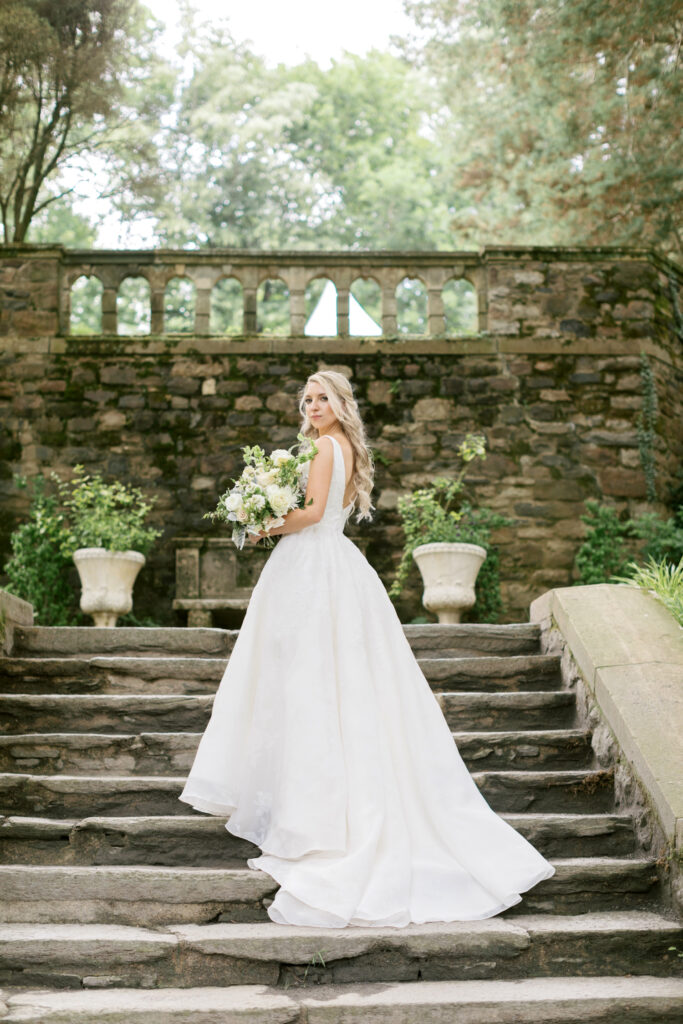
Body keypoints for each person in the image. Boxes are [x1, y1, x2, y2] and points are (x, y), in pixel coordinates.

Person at [179, 369, 555, 927]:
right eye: (306, 399)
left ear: (339, 403)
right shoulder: (337, 445)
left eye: (321, 398)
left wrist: (260, 522)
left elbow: (307, 514)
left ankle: (318, 821)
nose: (311, 405)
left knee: (313, 684)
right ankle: (308, 808)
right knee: (315, 684)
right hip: (319, 565)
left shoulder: (329, 447)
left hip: (313, 566)